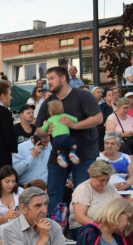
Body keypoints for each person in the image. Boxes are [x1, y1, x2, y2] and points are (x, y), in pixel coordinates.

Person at [35, 66, 104, 215]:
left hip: (84, 153)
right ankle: (52, 229)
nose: (49, 82)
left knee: (82, 193)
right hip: (58, 153)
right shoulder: (48, 102)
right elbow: (38, 129)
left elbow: (98, 118)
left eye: (52, 78)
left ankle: (80, 232)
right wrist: (47, 130)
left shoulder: (82, 96)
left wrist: (75, 125)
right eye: (48, 79)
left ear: (63, 78)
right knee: (53, 193)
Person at [71, 160, 121, 228]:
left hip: (108, 227)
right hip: (85, 227)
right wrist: (101, 227)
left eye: (107, 180)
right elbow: (80, 217)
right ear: (91, 176)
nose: (105, 183)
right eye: (101, 180)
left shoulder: (111, 188)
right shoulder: (83, 189)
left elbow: (120, 208)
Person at [0, 165, 23, 230]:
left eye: (13, 181)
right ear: (0, 181)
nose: (11, 185)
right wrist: (7, 216)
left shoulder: (20, 191)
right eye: (7, 182)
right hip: (1, 227)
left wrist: (21, 212)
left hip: (19, 225)